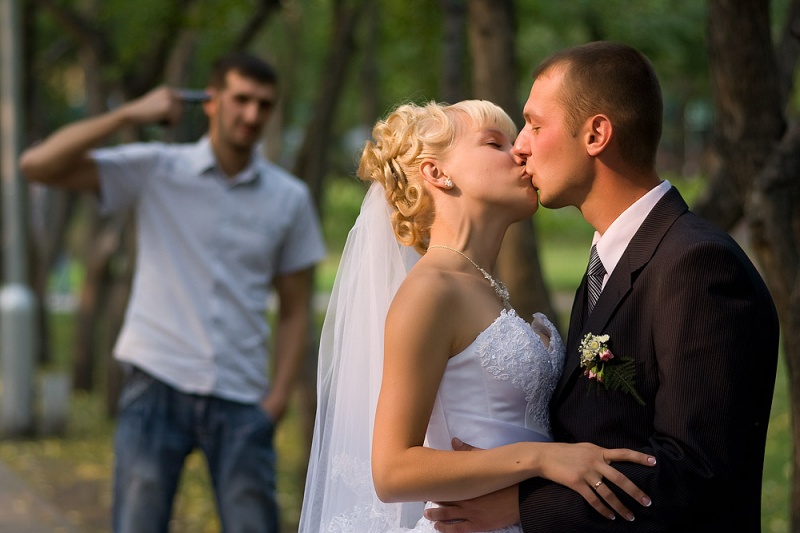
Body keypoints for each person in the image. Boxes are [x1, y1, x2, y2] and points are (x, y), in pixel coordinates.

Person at [424, 41, 780, 533]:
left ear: (595, 134)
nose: (520, 146)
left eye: (534, 124)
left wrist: (522, 508)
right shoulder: (607, 261)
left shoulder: (697, 264)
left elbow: (696, 473)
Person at [298, 99, 655, 533]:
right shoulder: (432, 291)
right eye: (495, 143)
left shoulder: (486, 287)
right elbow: (391, 471)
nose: (521, 151)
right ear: (437, 173)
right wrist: (543, 459)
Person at [19, 53, 326, 533]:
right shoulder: (157, 168)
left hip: (242, 396)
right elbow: (37, 165)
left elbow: (294, 307)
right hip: (156, 383)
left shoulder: (289, 198)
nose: (251, 115)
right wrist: (127, 115)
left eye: (263, 105)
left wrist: (278, 397)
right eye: (240, 99)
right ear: (211, 100)